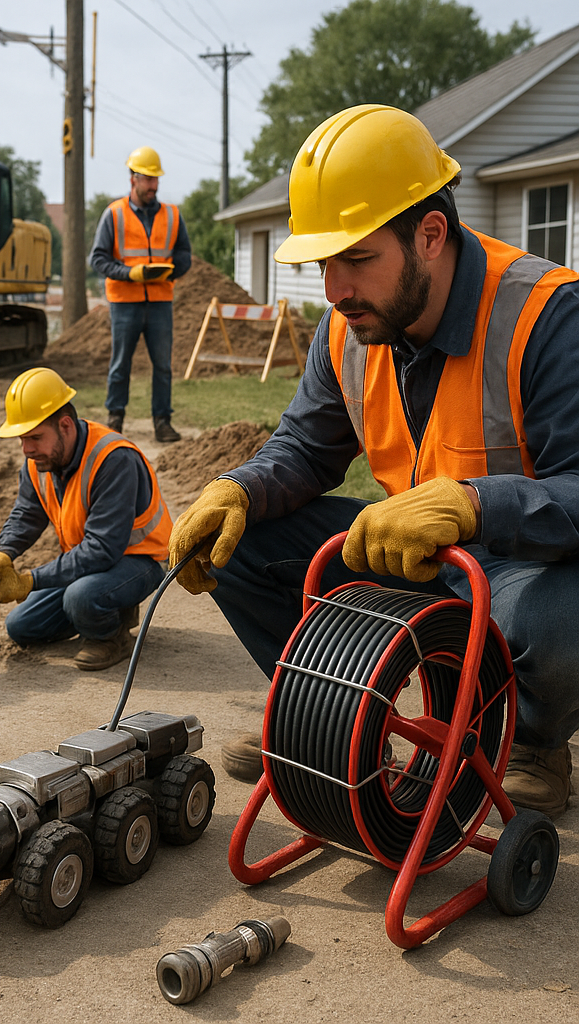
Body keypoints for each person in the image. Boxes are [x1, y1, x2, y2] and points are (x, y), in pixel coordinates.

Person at [168, 104, 579, 819]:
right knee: (238, 544)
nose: (334, 289)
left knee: (559, 614)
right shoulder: (348, 328)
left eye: (356, 259)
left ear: (429, 235)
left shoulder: (548, 315)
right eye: (325, 263)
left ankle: (530, 743)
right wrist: (238, 487)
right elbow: (303, 450)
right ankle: (331, 713)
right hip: (409, 558)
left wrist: (475, 504)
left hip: (518, 568)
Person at [0, 366, 173, 671]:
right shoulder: (39, 461)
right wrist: (2, 552)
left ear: (65, 425)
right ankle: (102, 607)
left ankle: (110, 637)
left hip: (140, 561)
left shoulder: (114, 459)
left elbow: (102, 549)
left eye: (35, 437)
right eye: (21, 439)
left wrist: (30, 581)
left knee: (81, 597)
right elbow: (26, 514)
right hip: (88, 562)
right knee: (21, 626)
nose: (27, 449)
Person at [89, 145, 191, 443]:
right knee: (121, 363)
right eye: (147, 179)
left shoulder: (172, 214)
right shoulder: (114, 214)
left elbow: (184, 253)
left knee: (163, 366)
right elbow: (98, 258)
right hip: (124, 303)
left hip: (160, 301)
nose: (153, 185)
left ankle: (162, 422)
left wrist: (170, 270)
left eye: (156, 179)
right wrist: (128, 273)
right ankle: (115, 420)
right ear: (132, 178)